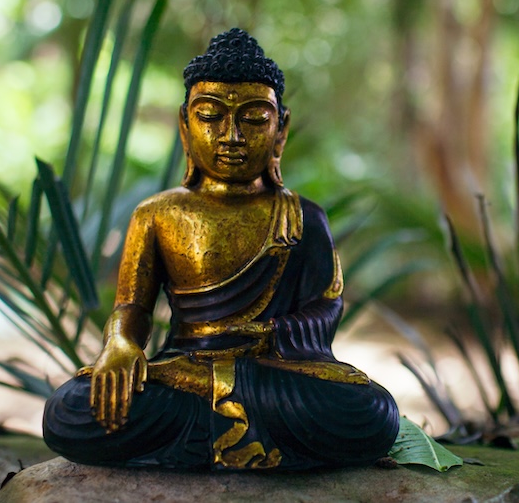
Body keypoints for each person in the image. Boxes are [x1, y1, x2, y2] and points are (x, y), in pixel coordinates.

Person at [43, 28, 399, 470]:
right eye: (210, 115)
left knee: (372, 412)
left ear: (281, 129)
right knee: (69, 410)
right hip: (180, 369)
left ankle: (202, 433)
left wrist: (266, 338)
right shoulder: (158, 213)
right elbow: (132, 307)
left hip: (269, 375)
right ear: (184, 124)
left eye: (253, 119)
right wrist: (118, 343)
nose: (231, 135)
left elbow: (325, 309)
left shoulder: (304, 217)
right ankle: (245, 437)